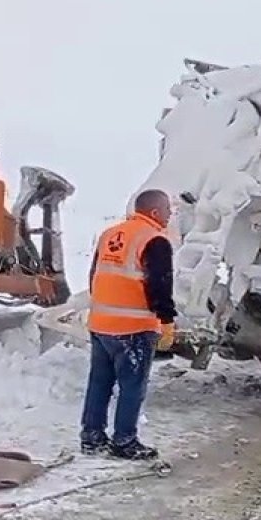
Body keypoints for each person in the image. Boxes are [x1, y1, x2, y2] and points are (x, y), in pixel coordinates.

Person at [80, 188, 177, 460]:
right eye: (168, 210)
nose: (171, 215)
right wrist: (166, 320)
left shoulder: (110, 234)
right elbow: (159, 285)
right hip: (133, 328)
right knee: (132, 386)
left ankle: (92, 437)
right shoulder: (155, 240)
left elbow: (94, 276)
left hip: (101, 323)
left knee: (99, 383)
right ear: (155, 212)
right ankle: (124, 441)